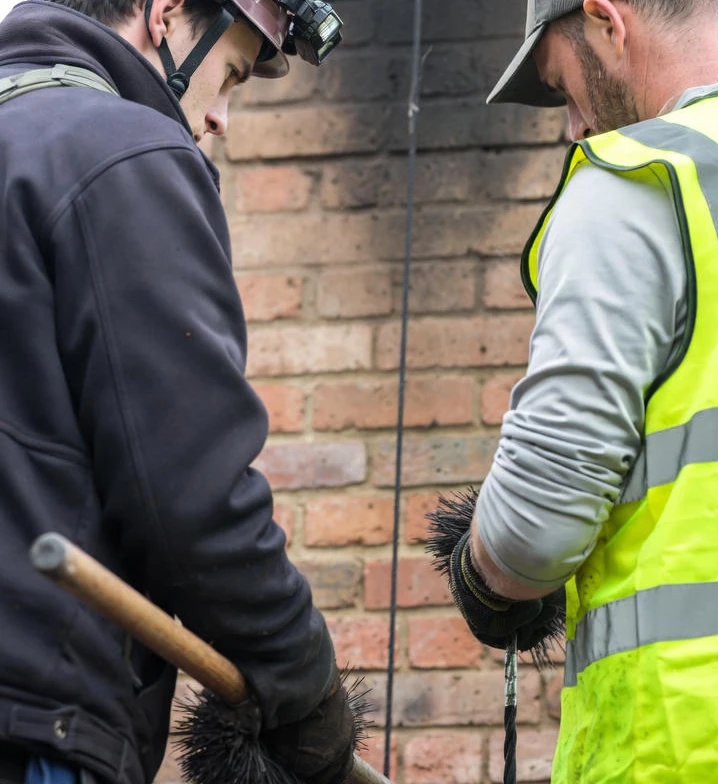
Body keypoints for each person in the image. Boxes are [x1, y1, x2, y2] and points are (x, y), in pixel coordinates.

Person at [0, 2, 353, 784]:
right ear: (164, 15)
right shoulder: (119, 150)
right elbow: (189, 493)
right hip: (29, 721)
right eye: (228, 74)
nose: (220, 118)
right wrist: (300, 678)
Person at [439, 0, 718, 781]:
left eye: (565, 90)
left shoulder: (640, 175)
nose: (574, 126)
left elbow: (535, 524)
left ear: (605, 20)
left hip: (696, 741)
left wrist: (483, 574)